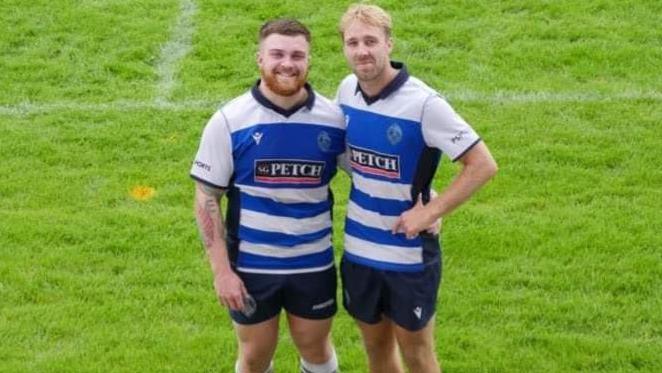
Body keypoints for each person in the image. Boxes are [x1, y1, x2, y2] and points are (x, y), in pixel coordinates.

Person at [335, 4, 498, 373]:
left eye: (371, 41)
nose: (363, 50)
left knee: (417, 355)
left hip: (408, 254)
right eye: (353, 42)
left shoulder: (424, 103)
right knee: (376, 349)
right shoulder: (346, 92)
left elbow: (483, 164)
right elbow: (347, 157)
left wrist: (430, 211)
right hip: (359, 247)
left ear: (389, 44)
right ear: (344, 47)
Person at [190, 19, 344, 373]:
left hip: (313, 261)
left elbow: (369, 170)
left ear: (309, 61)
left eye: (297, 55)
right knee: (255, 355)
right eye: (277, 54)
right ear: (259, 58)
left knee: (316, 348)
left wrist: (424, 197)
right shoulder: (229, 120)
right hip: (252, 267)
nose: (287, 63)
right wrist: (222, 273)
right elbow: (207, 198)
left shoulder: (334, 119)